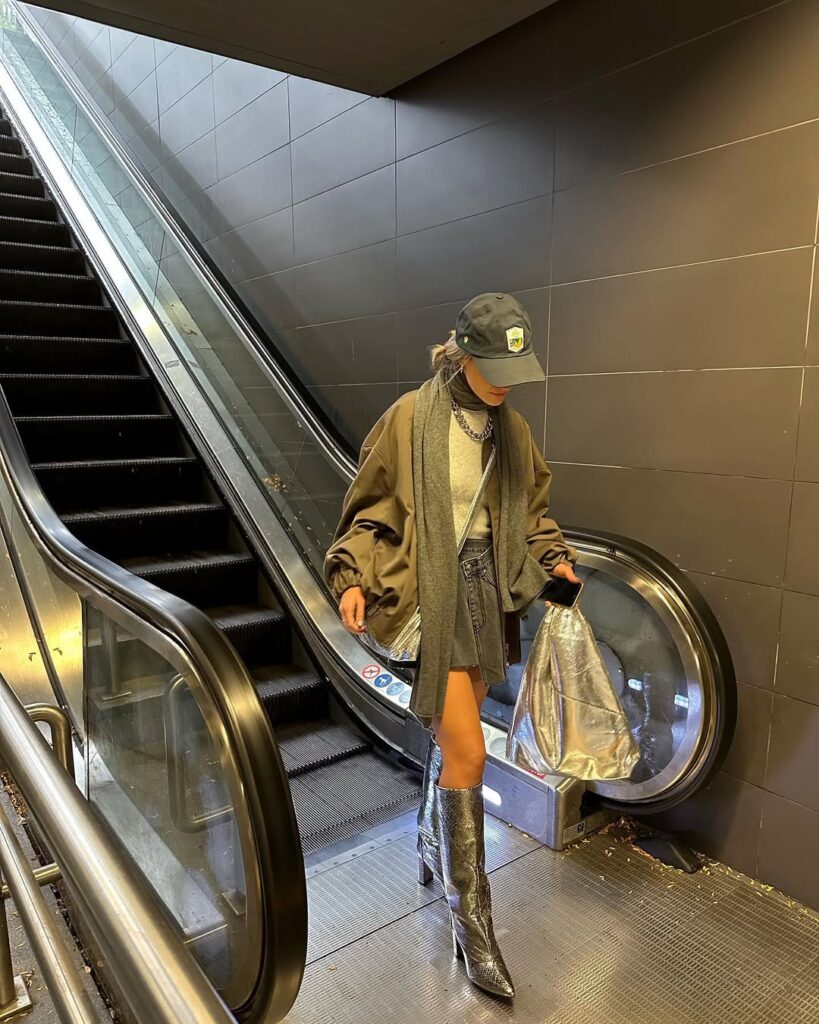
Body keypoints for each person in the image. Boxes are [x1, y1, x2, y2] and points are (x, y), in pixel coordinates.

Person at [323, 292, 580, 1000]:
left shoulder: (511, 429)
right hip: (423, 592)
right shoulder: (410, 417)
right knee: (467, 749)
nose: (503, 379)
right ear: (460, 352)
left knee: (455, 732)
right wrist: (351, 574)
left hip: (482, 595)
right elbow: (370, 507)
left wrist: (552, 558)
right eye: (493, 363)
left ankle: (431, 841)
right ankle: (473, 924)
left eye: (513, 366)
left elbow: (529, 509)